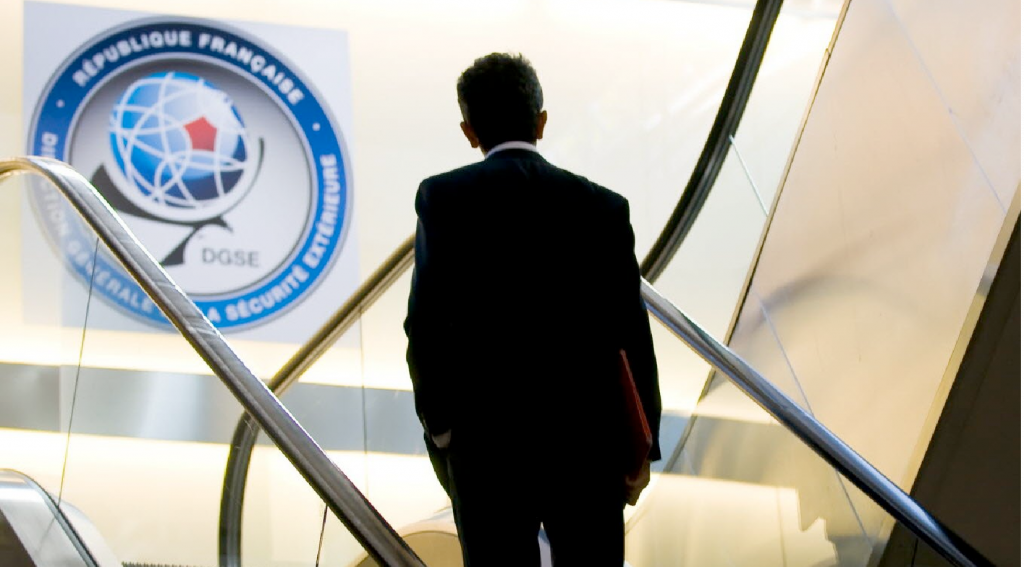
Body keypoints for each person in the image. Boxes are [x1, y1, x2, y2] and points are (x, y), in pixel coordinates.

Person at [404, 52, 661, 566]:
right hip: (587, 443)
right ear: (541, 122)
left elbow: (425, 325)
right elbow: (631, 332)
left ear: (469, 131)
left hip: (486, 444)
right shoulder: (603, 206)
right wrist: (642, 442)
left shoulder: (444, 198)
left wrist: (442, 428)